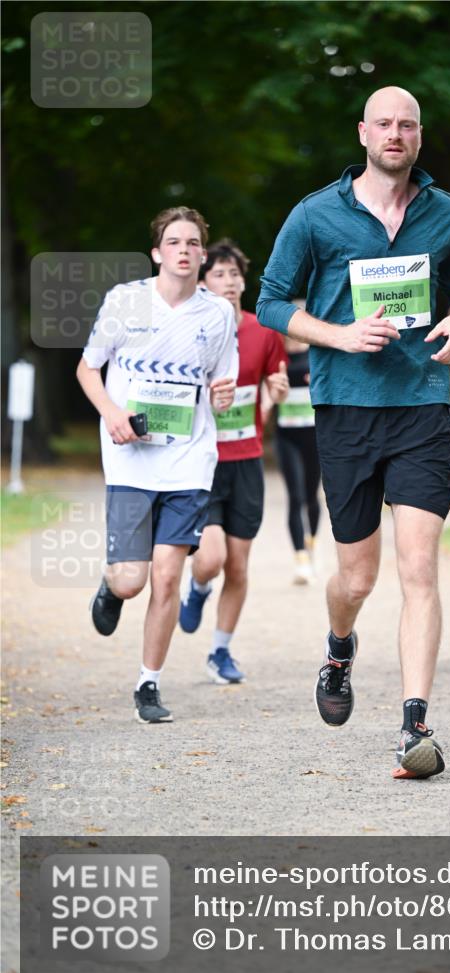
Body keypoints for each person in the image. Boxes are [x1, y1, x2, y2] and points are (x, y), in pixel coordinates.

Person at [257, 86, 450, 779]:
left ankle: (416, 725)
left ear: (418, 136)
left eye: (406, 124)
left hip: (419, 408)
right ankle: (338, 646)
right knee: (356, 579)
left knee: (419, 569)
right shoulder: (315, 214)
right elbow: (267, 302)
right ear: (362, 133)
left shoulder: (446, 214)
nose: (395, 133)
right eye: (383, 123)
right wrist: (338, 334)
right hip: (345, 411)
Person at [77, 207, 238, 723]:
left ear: (202, 254)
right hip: (130, 461)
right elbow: (87, 369)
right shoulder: (126, 301)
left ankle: (148, 683)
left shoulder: (217, 315)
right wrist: (112, 414)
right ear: (157, 252)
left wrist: (224, 395)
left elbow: (220, 389)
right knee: (133, 580)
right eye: (174, 241)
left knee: (168, 576)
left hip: (189, 461)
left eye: (193, 242)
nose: (184, 250)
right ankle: (112, 585)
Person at [178, 239, 288, 683]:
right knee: (211, 559)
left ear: (244, 282)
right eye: (219, 273)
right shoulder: (190, 331)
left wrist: (273, 399)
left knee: (239, 566)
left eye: (235, 274)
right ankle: (198, 586)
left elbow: (265, 398)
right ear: (203, 282)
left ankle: (220, 651)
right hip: (202, 463)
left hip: (246, 462)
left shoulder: (264, 332)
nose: (228, 281)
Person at [274, 333, 322, 584]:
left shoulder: (317, 354)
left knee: (312, 496)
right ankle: (301, 558)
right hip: (287, 437)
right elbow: (267, 390)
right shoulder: (277, 357)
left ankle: (311, 543)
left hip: (314, 435)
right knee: (295, 496)